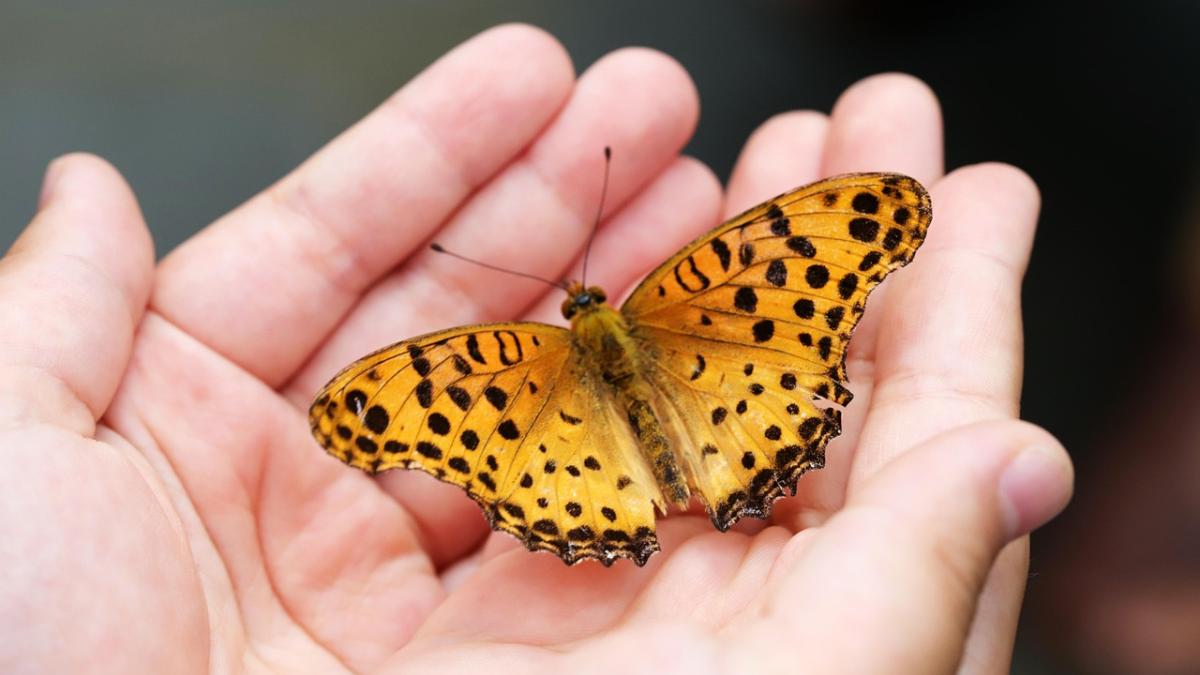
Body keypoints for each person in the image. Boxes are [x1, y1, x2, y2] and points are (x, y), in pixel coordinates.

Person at [0, 24, 1072, 673]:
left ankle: (647, 505)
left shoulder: (494, 362)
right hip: (739, 399)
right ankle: (732, 475)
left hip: (581, 471)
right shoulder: (700, 283)